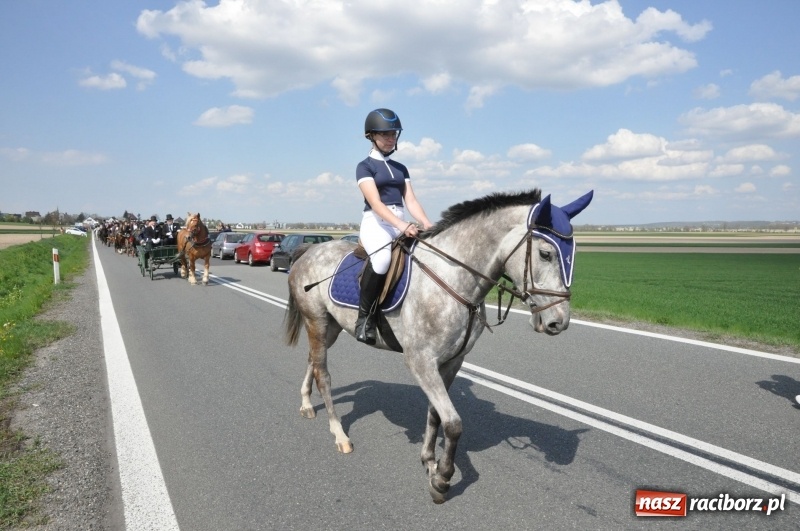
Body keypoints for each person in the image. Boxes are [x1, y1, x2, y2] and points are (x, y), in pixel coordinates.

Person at [355, 108, 434, 345]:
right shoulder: (364, 167)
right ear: (372, 136)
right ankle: (364, 319)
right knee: (381, 261)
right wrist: (402, 224)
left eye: (394, 134)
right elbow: (376, 203)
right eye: (385, 134)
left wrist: (428, 224)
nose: (391, 139)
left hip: (400, 221)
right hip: (376, 223)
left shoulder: (401, 168)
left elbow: (410, 200)